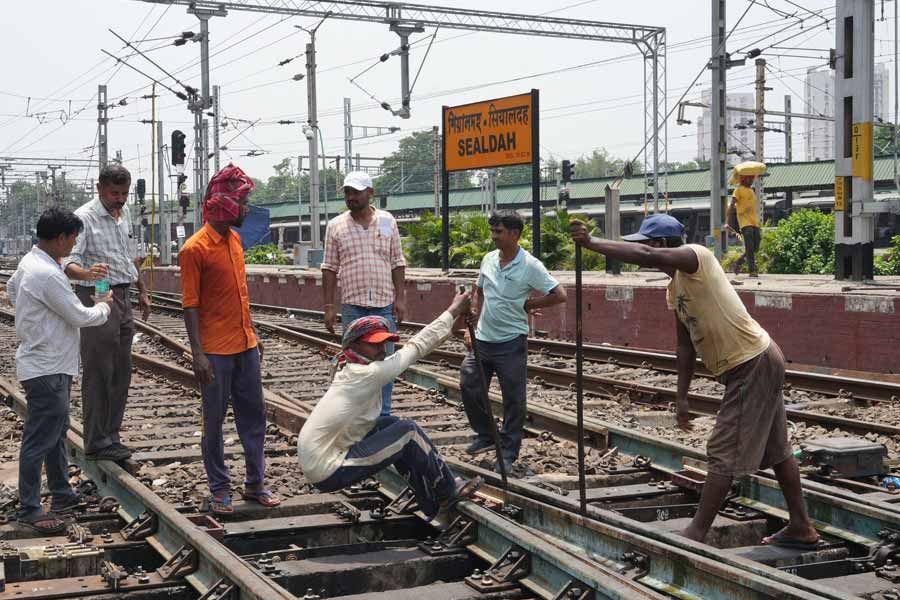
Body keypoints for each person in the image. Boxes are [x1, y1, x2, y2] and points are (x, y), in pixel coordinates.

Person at [569, 213, 819, 548]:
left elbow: (646, 255)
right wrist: (682, 396)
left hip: (751, 362)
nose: (643, 251)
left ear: (660, 244)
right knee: (777, 450)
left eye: (646, 243)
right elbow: (684, 345)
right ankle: (801, 527)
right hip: (754, 360)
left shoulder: (696, 258)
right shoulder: (674, 289)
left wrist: (591, 243)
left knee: (722, 449)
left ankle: (696, 534)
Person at [298, 292, 482, 521]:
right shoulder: (366, 373)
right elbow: (417, 347)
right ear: (354, 345)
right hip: (327, 469)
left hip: (322, 457)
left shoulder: (350, 366)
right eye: (374, 344)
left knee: (391, 424)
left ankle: (431, 503)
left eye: (383, 343)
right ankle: (447, 490)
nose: (382, 350)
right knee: (408, 432)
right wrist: (453, 310)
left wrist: (453, 319)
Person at [179, 164, 281, 515]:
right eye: (242, 203)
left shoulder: (234, 240)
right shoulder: (194, 249)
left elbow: (239, 294)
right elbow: (190, 304)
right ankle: (219, 487)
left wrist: (252, 333)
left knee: (254, 416)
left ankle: (255, 483)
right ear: (224, 205)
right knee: (214, 421)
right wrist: (198, 353)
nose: (247, 209)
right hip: (215, 351)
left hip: (245, 345)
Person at [7, 207, 113, 533]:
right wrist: (103, 307)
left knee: (55, 434)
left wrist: (37, 317)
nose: (74, 244)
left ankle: (62, 493)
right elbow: (79, 315)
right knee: (39, 439)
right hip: (47, 367)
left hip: (47, 364)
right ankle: (30, 509)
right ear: (61, 237)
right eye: (73, 238)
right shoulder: (47, 274)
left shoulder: (30, 263)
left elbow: (11, 291)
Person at [459, 210, 567, 473]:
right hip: (483, 338)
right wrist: (473, 318)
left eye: (499, 231)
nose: (493, 236)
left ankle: (508, 451)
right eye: (492, 230)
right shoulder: (488, 259)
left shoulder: (530, 265)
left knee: (513, 399)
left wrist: (530, 304)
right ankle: (487, 434)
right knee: (469, 383)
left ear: (515, 234)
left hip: (511, 342)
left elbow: (559, 294)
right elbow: (479, 288)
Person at [63, 165, 150, 461]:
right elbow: (68, 261)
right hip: (97, 294)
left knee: (121, 370)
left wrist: (142, 290)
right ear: (99, 188)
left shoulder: (122, 216)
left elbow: (127, 257)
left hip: (122, 294)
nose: (120, 199)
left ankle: (111, 435)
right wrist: (88, 274)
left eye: (124, 193)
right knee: (99, 369)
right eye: (114, 193)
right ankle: (97, 441)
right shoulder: (84, 217)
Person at [321, 171, 406, 416]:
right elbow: (329, 268)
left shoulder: (387, 221)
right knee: (355, 366)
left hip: (383, 304)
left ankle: (383, 415)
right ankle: (357, 416)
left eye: (356, 192)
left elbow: (397, 262)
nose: (351, 197)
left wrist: (400, 299)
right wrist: (329, 307)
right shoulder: (336, 226)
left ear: (370, 193)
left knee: (385, 363)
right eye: (348, 192)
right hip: (352, 305)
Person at [726, 175, 761, 277]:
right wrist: (728, 222)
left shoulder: (751, 191)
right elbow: (731, 206)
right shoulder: (738, 190)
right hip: (745, 223)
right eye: (749, 178)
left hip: (754, 222)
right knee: (750, 246)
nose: (752, 180)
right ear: (743, 179)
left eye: (752, 178)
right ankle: (752, 270)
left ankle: (739, 262)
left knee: (756, 247)